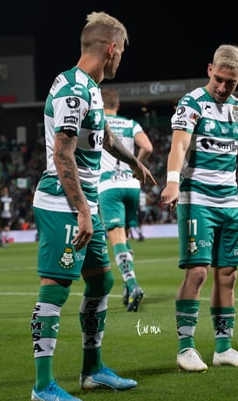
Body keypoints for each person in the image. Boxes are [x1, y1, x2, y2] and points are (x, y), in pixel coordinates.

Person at [30, 11, 156, 401]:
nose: (121, 61)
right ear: (111, 49)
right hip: (64, 201)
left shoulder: (91, 89)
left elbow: (101, 136)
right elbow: (62, 153)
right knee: (56, 287)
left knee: (101, 282)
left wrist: (132, 160)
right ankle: (43, 384)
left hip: (87, 201)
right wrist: (83, 210)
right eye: (121, 54)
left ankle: (92, 370)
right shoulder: (73, 89)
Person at [160, 44, 238, 372]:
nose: (222, 86)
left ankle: (223, 348)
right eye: (219, 78)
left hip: (229, 200)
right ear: (209, 69)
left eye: (231, 81)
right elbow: (179, 144)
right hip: (196, 198)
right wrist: (172, 180)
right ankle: (186, 348)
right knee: (198, 271)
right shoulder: (191, 103)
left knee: (228, 274)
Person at [98, 87, 153, 311]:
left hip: (108, 185)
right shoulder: (131, 124)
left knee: (116, 238)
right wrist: (136, 166)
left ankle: (133, 284)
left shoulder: (98, 121)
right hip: (131, 185)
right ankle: (127, 286)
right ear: (117, 106)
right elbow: (147, 147)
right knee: (125, 237)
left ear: (100, 106)